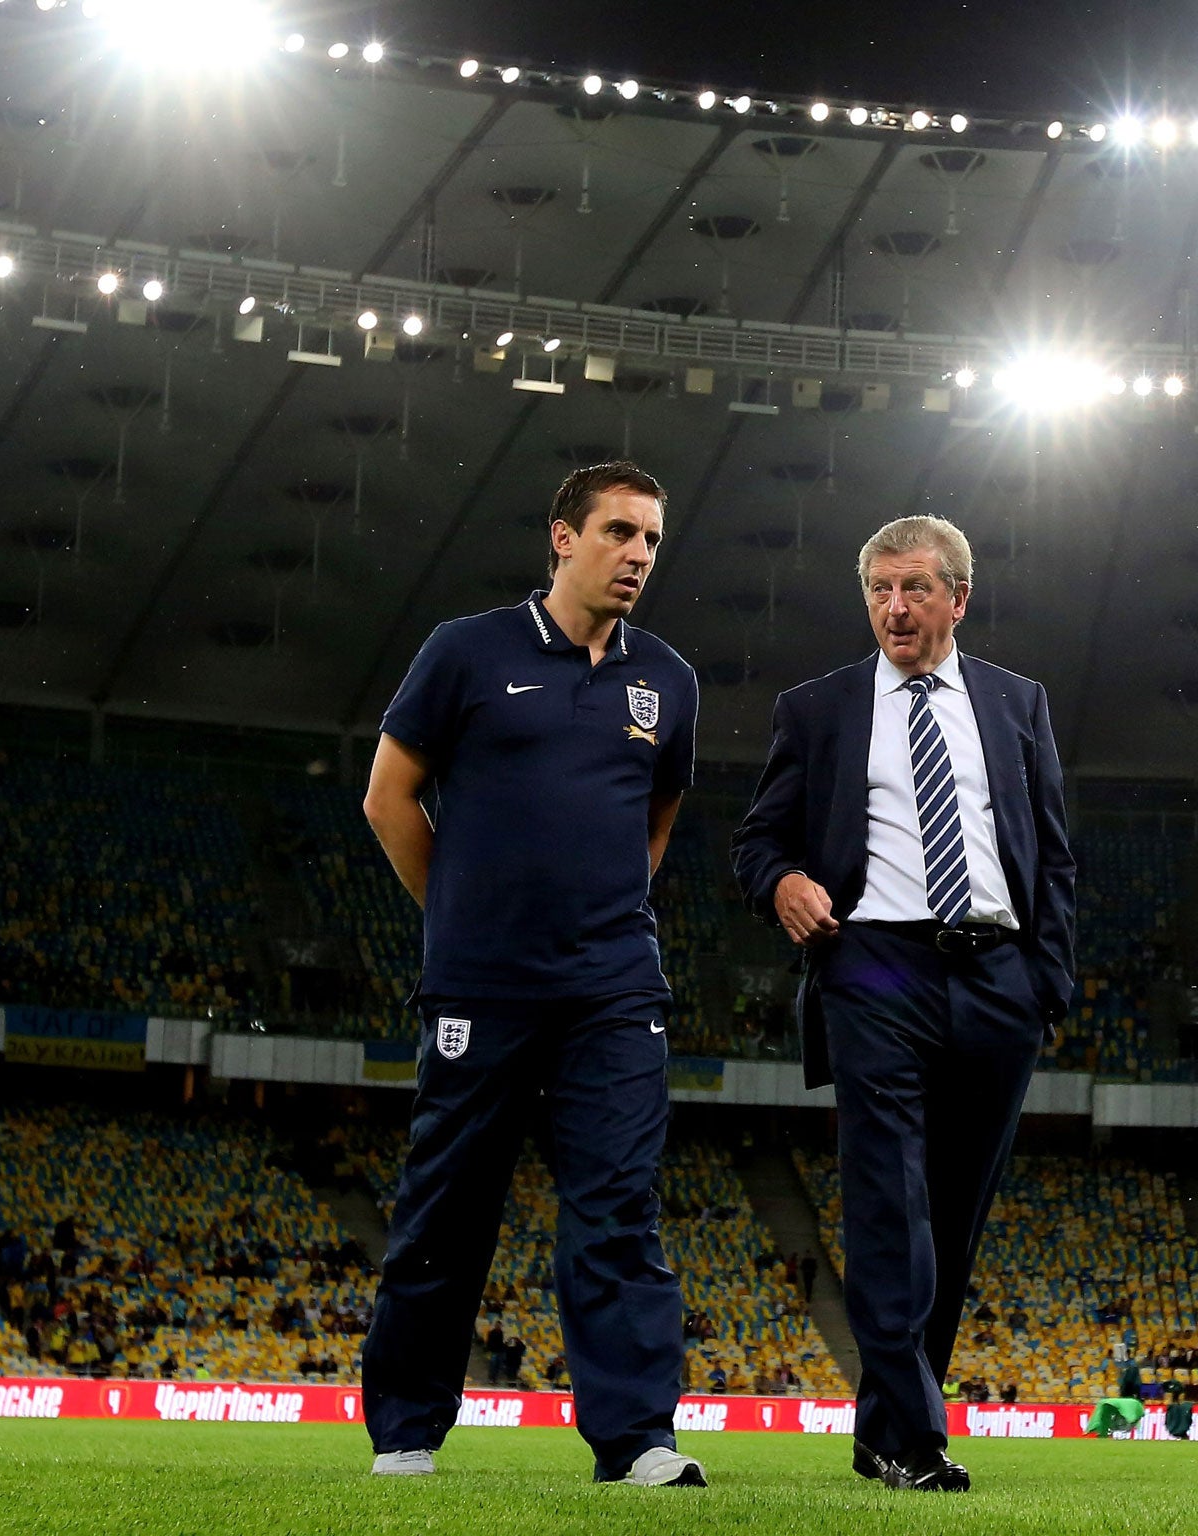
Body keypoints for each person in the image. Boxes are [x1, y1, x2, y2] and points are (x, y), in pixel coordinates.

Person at [359, 461, 706, 1489]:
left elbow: (654, 823)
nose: (638, 553)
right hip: (481, 988)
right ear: (562, 537)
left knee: (617, 1209)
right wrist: (463, 922)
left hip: (613, 992)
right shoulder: (465, 651)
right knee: (447, 1206)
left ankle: (637, 1438)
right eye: (617, 532)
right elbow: (387, 798)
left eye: (650, 537)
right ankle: (407, 1434)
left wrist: (596, 929)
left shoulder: (668, 682)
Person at [732, 515, 1075, 1493]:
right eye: (880, 589)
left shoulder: (1017, 704)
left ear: (957, 599)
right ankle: (918, 1437)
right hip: (875, 964)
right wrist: (782, 884)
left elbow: (1050, 854)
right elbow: (757, 841)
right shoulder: (820, 708)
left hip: (997, 974)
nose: (894, 606)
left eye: (915, 588)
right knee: (889, 1200)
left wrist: (1044, 987)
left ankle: (882, 1430)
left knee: (953, 1218)